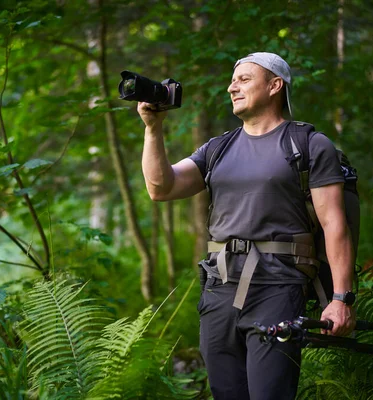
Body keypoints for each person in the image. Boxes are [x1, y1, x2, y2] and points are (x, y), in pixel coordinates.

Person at [138, 52, 356, 399]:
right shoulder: (218, 148)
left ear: (274, 86)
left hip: (279, 285)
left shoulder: (309, 145)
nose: (231, 87)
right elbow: (160, 188)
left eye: (244, 79)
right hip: (219, 288)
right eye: (232, 80)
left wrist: (342, 298)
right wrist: (153, 128)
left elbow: (335, 225)